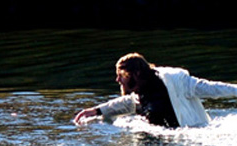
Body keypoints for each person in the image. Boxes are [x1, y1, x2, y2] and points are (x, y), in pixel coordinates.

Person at [74, 52, 237, 128]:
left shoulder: (176, 80)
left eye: (121, 76)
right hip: (157, 141)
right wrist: (96, 111)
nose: (117, 80)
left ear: (135, 74)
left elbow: (212, 88)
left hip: (190, 137)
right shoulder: (139, 90)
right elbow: (126, 103)